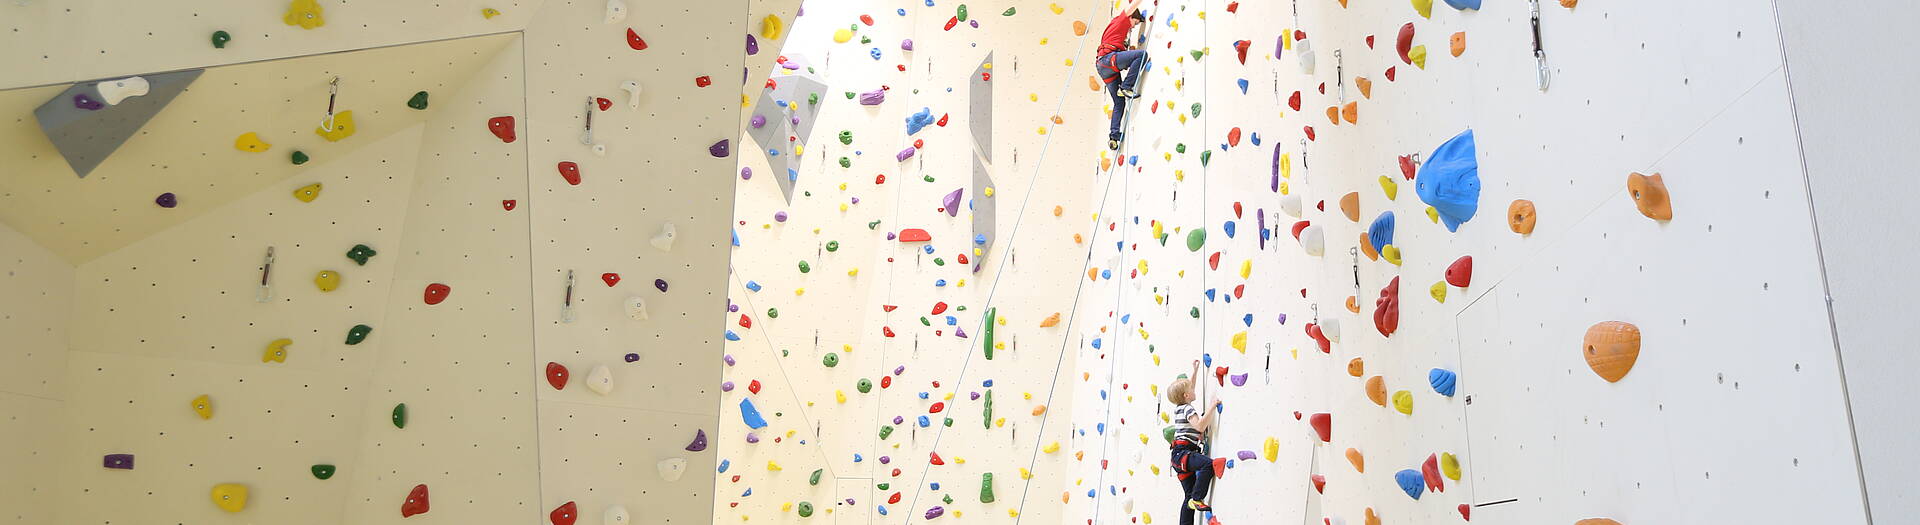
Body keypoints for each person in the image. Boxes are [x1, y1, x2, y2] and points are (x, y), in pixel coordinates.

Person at [1167, 360, 1217, 525]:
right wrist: (1212, 406)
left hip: (1178, 457)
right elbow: (1200, 425)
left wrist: (1195, 371)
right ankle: (1198, 498)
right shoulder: (1188, 409)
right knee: (1208, 465)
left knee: (1187, 496)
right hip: (1183, 454)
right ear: (1186, 396)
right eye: (1190, 390)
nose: (1193, 389)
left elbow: (1190, 387)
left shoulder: (1180, 407)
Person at [1096, 0, 1148, 150]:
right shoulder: (1121, 21)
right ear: (1131, 17)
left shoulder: (1116, 30)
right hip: (1108, 60)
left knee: (1119, 102)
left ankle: (1114, 137)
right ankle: (1126, 86)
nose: (1133, 27)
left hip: (1104, 67)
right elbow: (1133, 6)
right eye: (1135, 23)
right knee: (1141, 55)